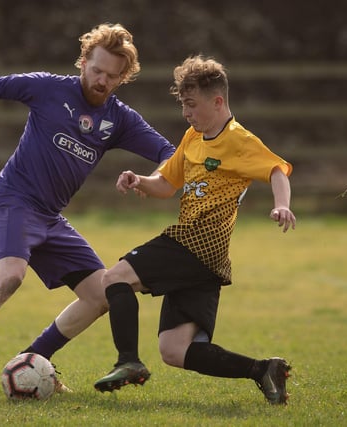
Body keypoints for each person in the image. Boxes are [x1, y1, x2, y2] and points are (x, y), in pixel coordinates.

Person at [0, 23, 175, 400]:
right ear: (83, 62)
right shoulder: (47, 88)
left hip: (51, 218)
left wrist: (147, 179)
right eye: (96, 71)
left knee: (102, 294)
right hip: (13, 200)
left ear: (123, 77)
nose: (102, 81)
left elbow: (170, 155)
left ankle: (35, 361)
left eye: (112, 76)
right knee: (10, 276)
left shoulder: (120, 119)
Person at [93, 55, 296, 405]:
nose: (186, 113)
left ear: (217, 102)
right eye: (183, 105)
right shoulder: (192, 137)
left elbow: (277, 169)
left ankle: (128, 361)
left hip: (194, 242)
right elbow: (166, 184)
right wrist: (139, 179)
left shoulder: (239, 139)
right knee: (175, 350)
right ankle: (263, 370)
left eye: (192, 105)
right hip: (206, 259)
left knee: (114, 279)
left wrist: (282, 204)